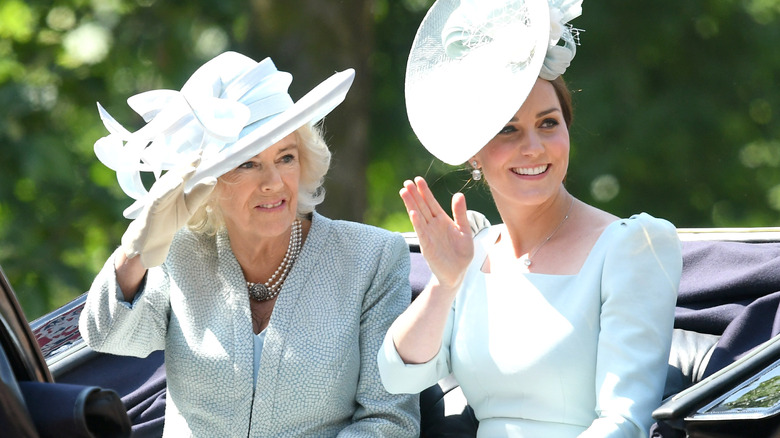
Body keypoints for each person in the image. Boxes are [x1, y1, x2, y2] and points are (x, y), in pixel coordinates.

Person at [377, 0, 682, 437]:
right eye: (508, 129)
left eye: (548, 123)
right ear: (474, 151)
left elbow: (625, 422)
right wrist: (444, 284)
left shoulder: (633, 247)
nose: (534, 148)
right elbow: (399, 376)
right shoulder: (474, 248)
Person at [78, 51, 419, 437]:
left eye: (286, 157)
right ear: (209, 181)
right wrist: (137, 250)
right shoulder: (178, 254)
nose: (273, 181)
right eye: (247, 163)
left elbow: (390, 421)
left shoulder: (371, 258)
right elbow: (106, 335)